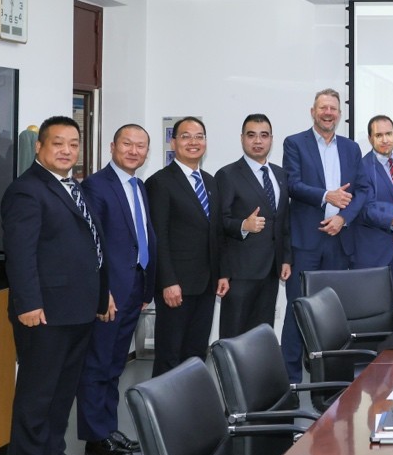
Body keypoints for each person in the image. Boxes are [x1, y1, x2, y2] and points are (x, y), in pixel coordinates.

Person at [2, 116, 113, 455]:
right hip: (44, 311)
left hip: (77, 308)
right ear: (40, 147)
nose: (67, 151)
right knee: (38, 391)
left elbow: (92, 246)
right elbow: (20, 255)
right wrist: (28, 304)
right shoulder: (26, 190)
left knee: (63, 390)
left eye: (73, 144)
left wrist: (102, 294)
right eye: (58, 143)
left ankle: (52, 454)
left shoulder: (73, 187)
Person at [76, 124, 155, 455]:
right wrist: (101, 290)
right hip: (109, 290)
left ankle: (107, 428)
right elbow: (92, 244)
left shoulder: (138, 186)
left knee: (115, 363)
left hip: (134, 286)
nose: (134, 151)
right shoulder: (96, 186)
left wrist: (146, 286)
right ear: (112, 146)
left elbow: (142, 237)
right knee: (98, 363)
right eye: (127, 144)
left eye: (141, 146)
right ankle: (95, 437)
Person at [281, 89, 372, 380]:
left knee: (333, 316)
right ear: (313, 112)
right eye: (323, 108)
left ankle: (331, 383)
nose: (328, 113)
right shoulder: (295, 143)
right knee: (297, 311)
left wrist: (343, 218)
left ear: (339, 114)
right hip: (306, 243)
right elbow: (292, 184)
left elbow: (362, 191)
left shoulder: (351, 148)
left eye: (333, 108)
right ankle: (291, 382)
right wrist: (326, 196)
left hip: (339, 241)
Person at [146, 116, 223, 375]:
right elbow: (158, 236)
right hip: (176, 286)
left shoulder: (210, 182)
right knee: (170, 354)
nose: (193, 142)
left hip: (206, 284)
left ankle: (191, 400)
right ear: (173, 142)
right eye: (186, 136)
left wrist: (221, 274)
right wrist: (167, 281)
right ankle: (162, 402)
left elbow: (215, 232)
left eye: (199, 136)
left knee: (196, 352)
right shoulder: (160, 182)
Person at [215, 114, 292, 338]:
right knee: (234, 336)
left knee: (262, 335)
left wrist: (286, 258)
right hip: (240, 272)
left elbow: (284, 220)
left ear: (271, 139)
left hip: (271, 270)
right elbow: (219, 223)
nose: (258, 141)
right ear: (242, 138)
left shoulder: (280, 174)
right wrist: (244, 225)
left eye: (264, 135)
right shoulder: (227, 175)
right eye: (251, 135)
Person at [356, 115, 393, 306]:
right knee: (371, 310)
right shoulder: (362, 166)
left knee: (390, 309)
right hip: (371, 252)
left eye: (389, 134)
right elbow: (365, 209)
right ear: (370, 138)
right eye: (379, 135)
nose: (385, 139)